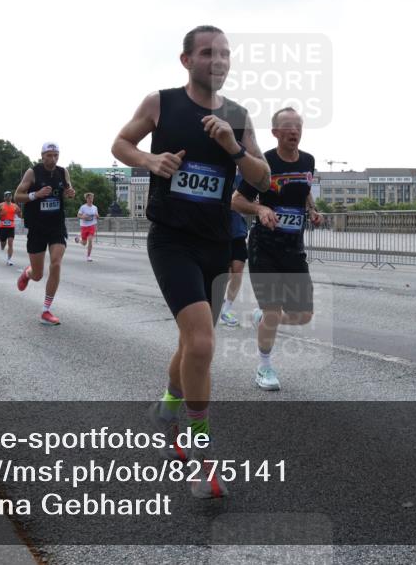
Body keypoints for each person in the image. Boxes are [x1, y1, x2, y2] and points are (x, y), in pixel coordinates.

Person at [112, 25, 270, 499]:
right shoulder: (160, 103)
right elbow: (120, 144)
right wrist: (149, 161)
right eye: (207, 53)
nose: (218, 61)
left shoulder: (237, 116)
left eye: (224, 54)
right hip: (171, 240)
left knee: (192, 344)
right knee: (202, 343)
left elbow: (262, 177)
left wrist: (233, 148)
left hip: (216, 243)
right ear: (186, 60)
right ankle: (202, 455)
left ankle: (166, 407)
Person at [232, 108, 323, 391]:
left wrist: (313, 209)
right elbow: (236, 200)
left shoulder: (308, 160)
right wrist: (260, 209)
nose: (294, 131)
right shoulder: (264, 163)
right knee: (272, 310)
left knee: (304, 315)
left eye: (298, 126)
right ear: (275, 132)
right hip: (265, 246)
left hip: (294, 248)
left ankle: (263, 319)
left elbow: (304, 189)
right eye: (287, 126)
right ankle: (264, 367)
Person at [14, 143, 76, 324]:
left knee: (56, 263)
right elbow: (18, 196)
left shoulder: (63, 172)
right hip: (37, 227)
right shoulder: (32, 172)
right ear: (42, 156)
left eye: (56, 155)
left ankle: (46, 311)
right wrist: (36, 194)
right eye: (49, 155)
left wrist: (70, 193)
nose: (53, 159)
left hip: (56, 225)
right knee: (38, 274)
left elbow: (68, 191)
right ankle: (28, 273)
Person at [219, 172, 249, 328]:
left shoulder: (243, 178)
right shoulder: (220, 172)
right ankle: (210, 297)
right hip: (220, 231)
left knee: (238, 270)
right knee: (225, 273)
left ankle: (226, 310)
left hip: (238, 231)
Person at [0, 190, 21, 266]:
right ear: (4, 197)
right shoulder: (1, 205)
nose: (8, 197)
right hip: (3, 226)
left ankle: (9, 259)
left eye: (10, 195)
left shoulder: (15, 205)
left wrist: (19, 212)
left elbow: (20, 215)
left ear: (11, 197)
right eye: (7, 196)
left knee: (10, 243)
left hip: (11, 226)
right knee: (3, 243)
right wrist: (1, 214)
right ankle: (2, 249)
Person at [76, 193, 99, 262]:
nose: (90, 199)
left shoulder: (95, 207)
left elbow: (97, 216)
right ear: (86, 199)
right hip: (84, 226)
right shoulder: (83, 207)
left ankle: (88, 256)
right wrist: (83, 217)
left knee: (90, 240)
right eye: (89, 198)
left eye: (92, 198)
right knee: (84, 243)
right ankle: (78, 239)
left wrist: (97, 215)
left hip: (92, 226)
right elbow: (78, 215)